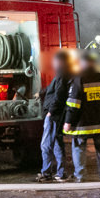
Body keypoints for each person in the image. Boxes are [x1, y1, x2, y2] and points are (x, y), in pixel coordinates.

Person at [63, 51, 100, 183]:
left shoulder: (79, 79)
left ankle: (80, 176)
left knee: (79, 149)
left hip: (82, 125)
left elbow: (73, 105)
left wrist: (68, 122)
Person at [36, 50, 73, 182]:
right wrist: (40, 93)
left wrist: (51, 111)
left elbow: (59, 95)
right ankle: (61, 173)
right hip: (56, 115)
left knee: (45, 145)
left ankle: (46, 173)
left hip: (53, 115)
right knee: (57, 143)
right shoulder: (63, 74)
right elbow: (52, 89)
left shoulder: (62, 75)